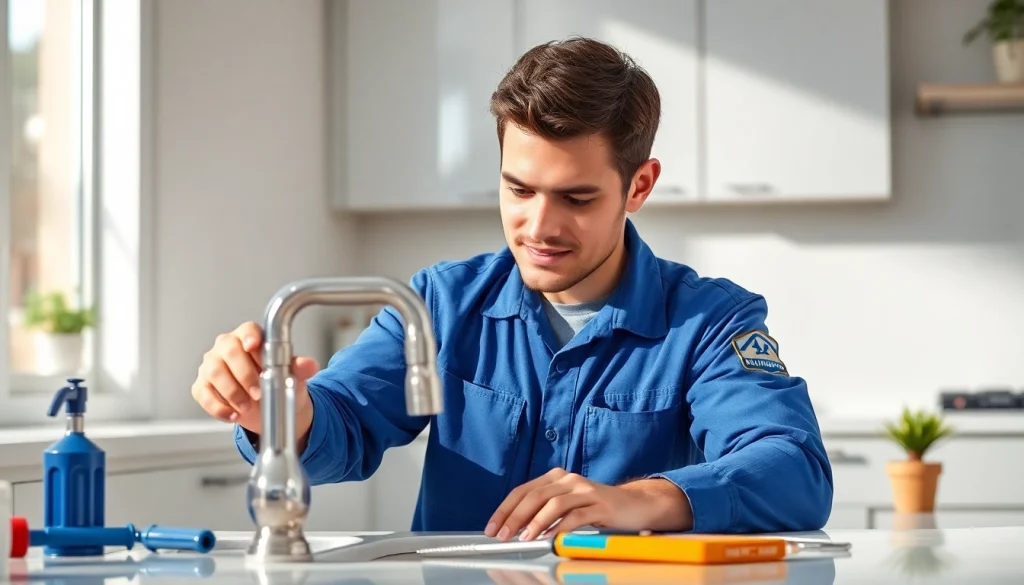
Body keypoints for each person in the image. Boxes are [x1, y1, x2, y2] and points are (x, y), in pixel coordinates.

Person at [191, 37, 833, 541]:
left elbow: (793, 467)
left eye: (576, 198)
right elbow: (343, 425)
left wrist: (639, 500)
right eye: (519, 190)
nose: (539, 227)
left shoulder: (709, 321)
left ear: (638, 186)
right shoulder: (438, 305)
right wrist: (277, 412)